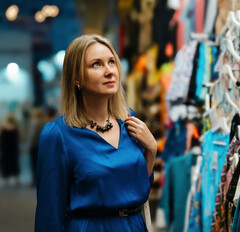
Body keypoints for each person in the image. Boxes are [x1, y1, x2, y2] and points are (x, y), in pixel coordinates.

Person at [35, 34, 157, 232]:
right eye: (96, 65)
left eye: (111, 62)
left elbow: (137, 188)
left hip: (133, 225)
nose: (110, 71)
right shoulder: (58, 135)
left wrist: (151, 150)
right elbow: (49, 216)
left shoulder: (128, 121)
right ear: (76, 79)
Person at [0, 113, 21, 186]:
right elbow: (21, 137)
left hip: (5, 147)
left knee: (5, 162)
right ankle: (17, 178)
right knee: (14, 162)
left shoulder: (2, 127)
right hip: (14, 147)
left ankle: (5, 179)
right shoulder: (16, 127)